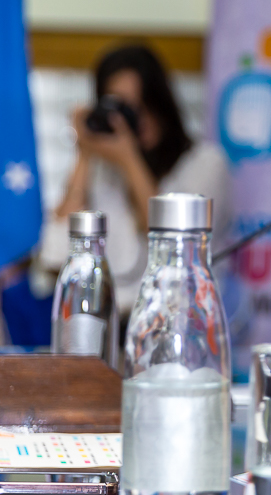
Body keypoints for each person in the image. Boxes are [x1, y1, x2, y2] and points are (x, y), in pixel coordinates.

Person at [42, 44, 232, 315]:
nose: (136, 118)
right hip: (104, 325)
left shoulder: (205, 163)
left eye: (144, 104)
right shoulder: (100, 169)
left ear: (162, 102)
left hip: (179, 321)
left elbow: (175, 244)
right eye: (121, 106)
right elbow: (54, 254)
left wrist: (130, 160)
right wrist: (85, 153)